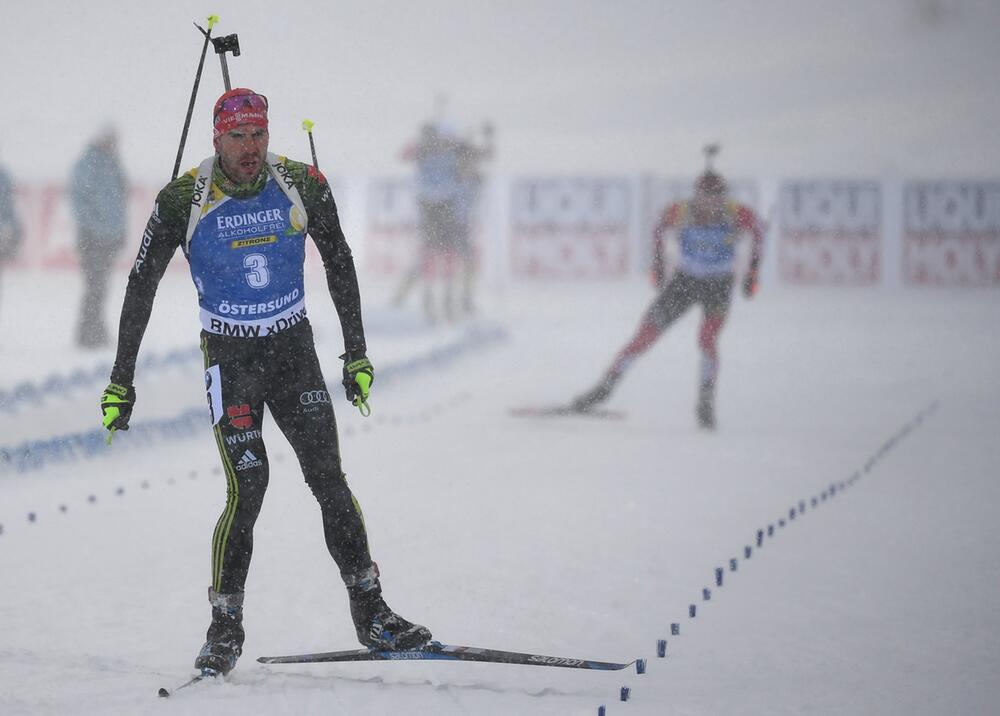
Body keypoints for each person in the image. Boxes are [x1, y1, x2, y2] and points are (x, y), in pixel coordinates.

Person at [98, 88, 431, 677]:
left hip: (293, 351)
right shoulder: (183, 198)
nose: (250, 149)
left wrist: (357, 353)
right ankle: (225, 627)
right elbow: (140, 285)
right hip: (231, 359)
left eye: (259, 135)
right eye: (237, 137)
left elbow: (340, 261)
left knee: (328, 478)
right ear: (215, 138)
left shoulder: (301, 182)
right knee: (248, 489)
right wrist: (122, 380)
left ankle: (372, 612)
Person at [570, 168, 764, 428]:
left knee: (707, 340)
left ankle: (705, 402)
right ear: (697, 196)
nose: (711, 204)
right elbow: (659, 229)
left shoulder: (737, 214)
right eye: (706, 198)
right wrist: (659, 265)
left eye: (717, 198)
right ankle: (604, 387)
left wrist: (752, 272)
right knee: (644, 335)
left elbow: (759, 233)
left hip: (718, 285)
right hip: (686, 282)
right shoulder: (681, 212)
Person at [394, 119, 492, 321]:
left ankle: (453, 302)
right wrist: (427, 144)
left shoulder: (454, 156)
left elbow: (478, 156)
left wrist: (486, 140)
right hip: (433, 211)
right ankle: (418, 301)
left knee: (449, 258)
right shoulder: (425, 152)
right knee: (427, 258)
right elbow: (405, 154)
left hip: (448, 213)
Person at [69, 127, 129, 348]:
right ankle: (88, 333)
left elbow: (118, 204)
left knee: (100, 286)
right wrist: (93, 230)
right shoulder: (90, 165)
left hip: (106, 238)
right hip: (93, 238)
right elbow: (81, 203)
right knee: (95, 286)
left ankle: (94, 331)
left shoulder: (112, 165)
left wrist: (118, 233)